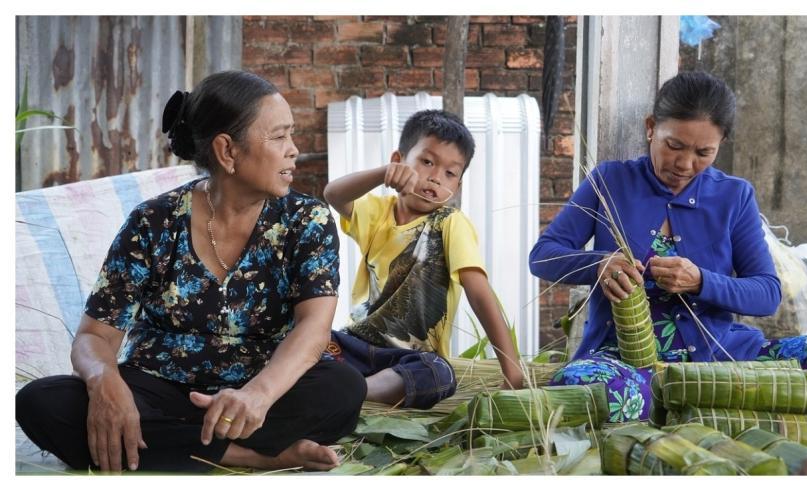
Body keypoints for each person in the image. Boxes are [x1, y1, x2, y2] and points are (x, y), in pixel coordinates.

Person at [16, 70, 366, 472]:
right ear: (227, 151)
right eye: (279, 136)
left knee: (343, 389)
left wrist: (257, 395)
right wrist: (105, 383)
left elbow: (313, 329)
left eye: (291, 135)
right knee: (41, 404)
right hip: (159, 387)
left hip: (260, 392)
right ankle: (253, 456)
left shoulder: (307, 220)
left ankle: (166, 445)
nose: (294, 150)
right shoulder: (153, 221)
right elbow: (95, 336)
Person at [528, 71, 807, 422]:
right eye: (674, 145)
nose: (686, 165)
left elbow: (766, 293)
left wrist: (702, 280)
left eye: (704, 152)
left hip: (722, 358)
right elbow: (543, 255)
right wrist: (598, 264)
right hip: (623, 361)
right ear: (650, 128)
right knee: (608, 393)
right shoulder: (610, 181)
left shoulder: (734, 196)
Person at [322, 109, 524, 409]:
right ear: (398, 161)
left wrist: (512, 369)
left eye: (450, 173)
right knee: (310, 343)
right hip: (354, 345)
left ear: (457, 187)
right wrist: (382, 174)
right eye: (427, 162)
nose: (434, 177)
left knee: (438, 374)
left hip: (409, 359)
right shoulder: (377, 213)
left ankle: (357, 391)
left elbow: (480, 295)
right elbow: (334, 194)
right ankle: (335, 383)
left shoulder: (450, 223)